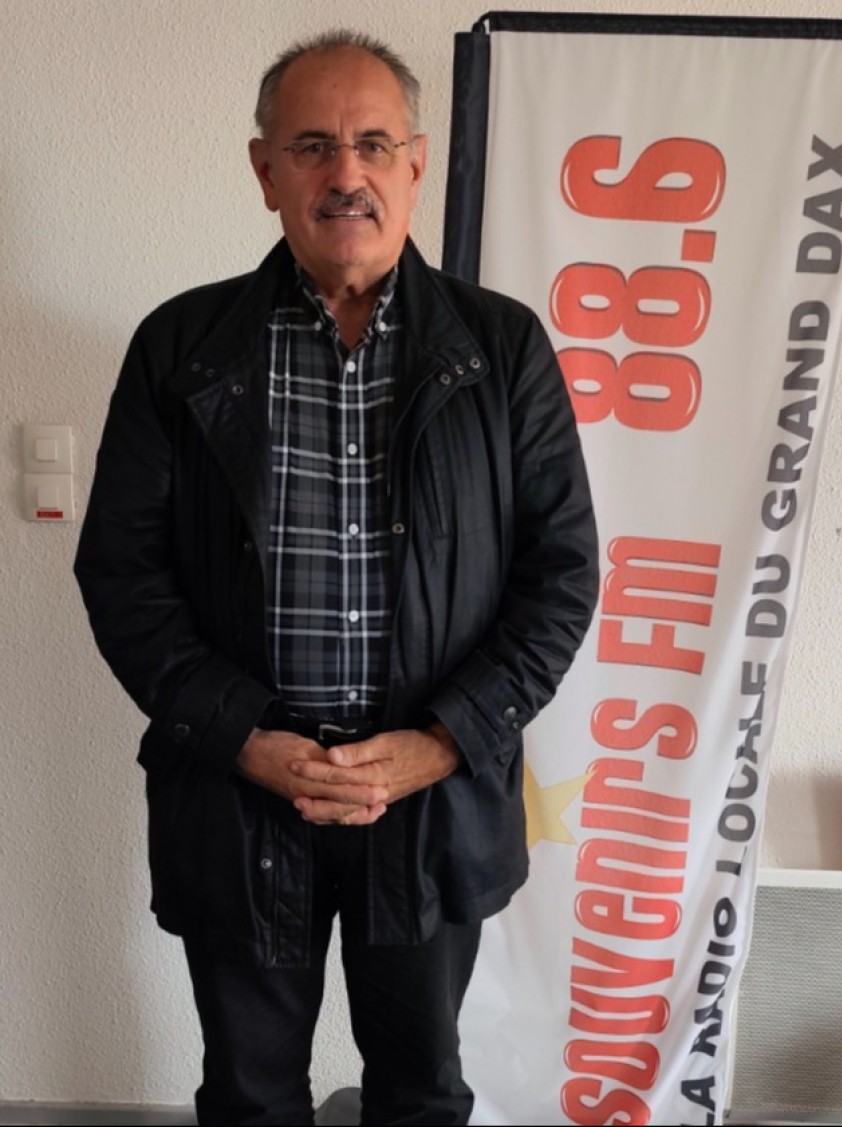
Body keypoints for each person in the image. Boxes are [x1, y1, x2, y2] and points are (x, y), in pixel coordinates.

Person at [74, 29, 599, 1127]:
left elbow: (558, 576)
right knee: (250, 1093)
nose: (345, 173)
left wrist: (443, 740)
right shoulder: (179, 345)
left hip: (430, 799)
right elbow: (123, 573)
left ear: (416, 163)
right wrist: (242, 737)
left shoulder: (503, 349)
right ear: (265, 169)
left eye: (372, 144)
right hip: (236, 793)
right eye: (312, 145)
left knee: (420, 1090)